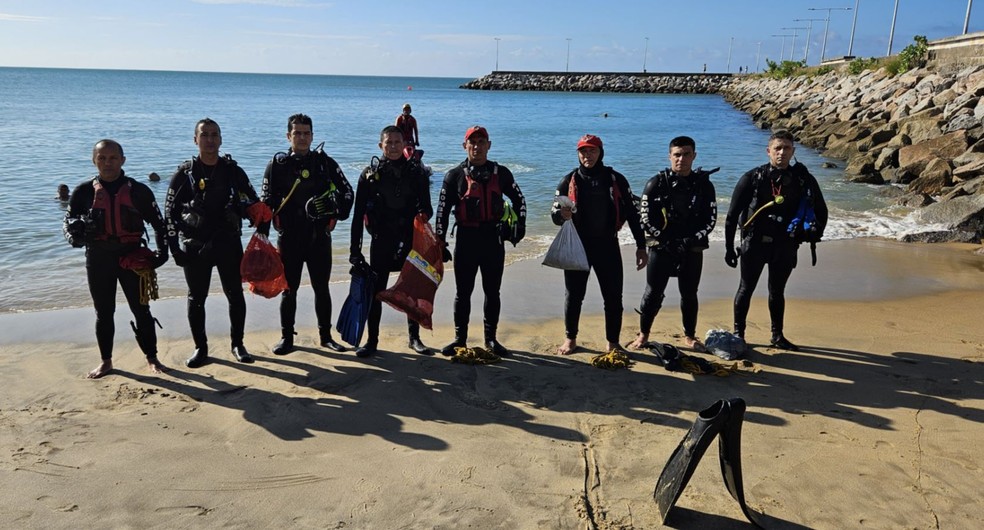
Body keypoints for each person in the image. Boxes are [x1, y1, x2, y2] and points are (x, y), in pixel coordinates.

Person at [164, 118, 271, 368]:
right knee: (196, 298)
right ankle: (201, 349)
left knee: (235, 294)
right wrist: (173, 249)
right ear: (195, 140)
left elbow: (254, 203)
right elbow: (168, 213)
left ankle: (238, 344)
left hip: (228, 244)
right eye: (205, 135)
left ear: (221, 139)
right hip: (195, 246)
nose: (210, 140)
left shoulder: (233, 171)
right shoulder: (184, 174)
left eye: (214, 135)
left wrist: (247, 211)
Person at [63, 139, 169, 378]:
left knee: (141, 310)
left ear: (123, 160)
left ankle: (152, 358)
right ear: (94, 160)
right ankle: (106, 362)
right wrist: (74, 237)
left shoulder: (138, 190)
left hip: (131, 257)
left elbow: (159, 225)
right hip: (99, 258)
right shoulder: (83, 191)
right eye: (102, 158)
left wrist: (162, 254)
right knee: (103, 312)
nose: (107, 163)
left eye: (112, 158)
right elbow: (67, 224)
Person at [724, 130, 828, 351]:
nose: (781, 152)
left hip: (785, 244)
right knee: (746, 288)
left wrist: (812, 234)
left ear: (793, 151)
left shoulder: (803, 179)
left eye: (786, 148)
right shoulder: (753, 178)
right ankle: (738, 333)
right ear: (768, 151)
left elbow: (821, 211)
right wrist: (728, 248)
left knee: (777, 291)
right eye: (777, 148)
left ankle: (777, 335)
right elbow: (732, 215)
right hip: (754, 243)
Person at [260, 113, 353, 355]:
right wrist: (262, 239)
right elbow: (265, 204)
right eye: (297, 133)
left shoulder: (324, 163)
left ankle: (326, 336)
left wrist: (337, 211)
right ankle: (286, 338)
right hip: (289, 238)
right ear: (288, 136)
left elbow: (348, 192)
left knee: (322, 288)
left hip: (319, 237)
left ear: (312, 136)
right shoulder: (276, 166)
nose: (302, 137)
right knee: (288, 290)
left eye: (306, 133)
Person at [551, 134, 647, 355]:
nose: (588, 155)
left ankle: (613, 342)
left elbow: (633, 214)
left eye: (592, 150)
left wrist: (641, 247)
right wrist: (561, 215)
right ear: (578, 154)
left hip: (607, 246)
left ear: (600, 152)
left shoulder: (616, 179)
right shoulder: (568, 181)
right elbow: (554, 216)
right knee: (573, 296)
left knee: (613, 297)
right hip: (578, 247)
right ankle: (570, 339)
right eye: (583, 151)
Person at [435, 125, 526, 357]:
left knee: (492, 291)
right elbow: (442, 212)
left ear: (489, 145)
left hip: (493, 239)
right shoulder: (454, 176)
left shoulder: (501, 173)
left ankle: (491, 339)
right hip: (466, 239)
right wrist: (440, 242)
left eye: (481, 142)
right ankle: (459, 339)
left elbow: (520, 200)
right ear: (464, 146)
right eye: (472, 142)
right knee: (462, 292)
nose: (477, 146)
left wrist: (517, 227)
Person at [349, 125, 434, 358]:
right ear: (381, 146)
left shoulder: (416, 173)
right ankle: (372, 340)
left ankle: (414, 338)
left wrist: (423, 216)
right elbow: (357, 216)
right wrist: (354, 251)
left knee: (412, 290)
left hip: (409, 240)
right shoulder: (369, 175)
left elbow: (428, 208)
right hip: (381, 241)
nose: (394, 147)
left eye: (398, 142)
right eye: (389, 143)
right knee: (376, 292)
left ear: (405, 145)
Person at [629, 136, 717, 352]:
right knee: (653, 292)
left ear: (694, 156)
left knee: (689, 293)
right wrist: (665, 240)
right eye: (677, 154)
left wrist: (690, 240)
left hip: (691, 248)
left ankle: (689, 336)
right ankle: (643, 335)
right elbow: (644, 218)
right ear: (669, 156)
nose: (682, 159)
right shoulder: (656, 183)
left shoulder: (704, 185)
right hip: (662, 247)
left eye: (687, 154)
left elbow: (711, 219)